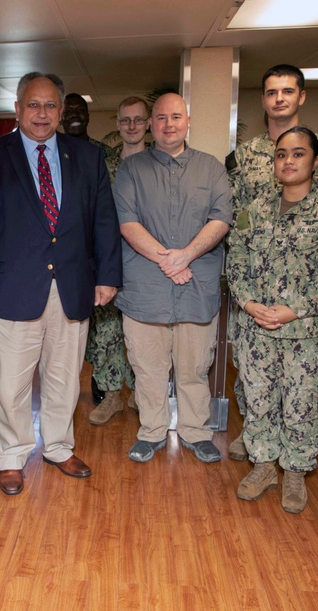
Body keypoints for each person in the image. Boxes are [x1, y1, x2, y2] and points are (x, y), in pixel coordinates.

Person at [0, 72, 122, 495]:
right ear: (17, 109)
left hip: (72, 285)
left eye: (50, 105)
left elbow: (103, 220)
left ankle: (57, 445)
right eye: (33, 105)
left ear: (61, 110)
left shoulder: (86, 157)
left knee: (64, 377)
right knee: (10, 383)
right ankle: (12, 456)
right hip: (9, 289)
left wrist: (107, 276)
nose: (42, 113)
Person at [226, 126, 318, 513]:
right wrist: (249, 304)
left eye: (298, 154)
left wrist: (295, 309)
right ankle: (264, 466)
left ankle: (296, 471)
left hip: (306, 333)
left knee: (301, 406)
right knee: (259, 401)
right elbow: (235, 261)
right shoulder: (254, 211)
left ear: (315, 162)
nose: (288, 161)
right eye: (281, 154)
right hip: (256, 330)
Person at [226, 63, 318, 462]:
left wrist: (296, 305)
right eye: (272, 92)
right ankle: (258, 439)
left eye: (288, 91)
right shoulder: (243, 157)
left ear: (301, 96)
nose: (280, 98)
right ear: (263, 99)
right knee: (255, 379)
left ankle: (292, 456)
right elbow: (238, 226)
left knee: (301, 390)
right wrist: (248, 297)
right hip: (257, 288)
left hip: (303, 296)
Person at [113, 93, 231, 465]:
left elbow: (221, 218)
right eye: (161, 117)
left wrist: (186, 255)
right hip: (145, 287)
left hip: (197, 284)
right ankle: (151, 432)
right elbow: (127, 221)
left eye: (176, 117)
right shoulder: (131, 170)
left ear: (188, 120)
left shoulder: (211, 168)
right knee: (148, 368)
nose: (168, 124)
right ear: (151, 123)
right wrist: (167, 259)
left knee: (194, 367)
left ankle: (196, 432)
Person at [86, 95, 149, 425]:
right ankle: (111, 395)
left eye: (138, 120)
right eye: (126, 120)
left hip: (146, 264)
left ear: (148, 123)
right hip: (108, 261)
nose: (132, 126)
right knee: (106, 333)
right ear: (117, 123)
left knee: (143, 337)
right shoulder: (102, 162)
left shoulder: (158, 162)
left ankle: (141, 394)